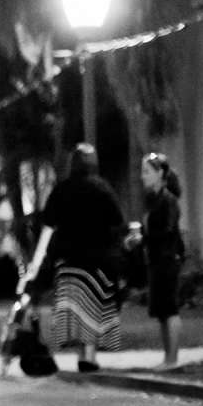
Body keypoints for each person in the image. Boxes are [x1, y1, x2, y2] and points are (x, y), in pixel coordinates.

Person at [27, 143, 129, 375]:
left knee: (76, 309)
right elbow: (118, 221)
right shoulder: (103, 189)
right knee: (94, 307)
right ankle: (89, 356)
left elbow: (49, 222)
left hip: (69, 260)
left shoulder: (62, 190)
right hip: (98, 260)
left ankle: (82, 355)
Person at [139, 153, 187, 369]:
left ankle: (172, 359)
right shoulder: (154, 200)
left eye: (147, 172)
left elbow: (166, 232)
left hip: (168, 260)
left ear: (160, 173)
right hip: (157, 260)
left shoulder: (168, 200)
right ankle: (167, 357)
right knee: (161, 311)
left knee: (169, 309)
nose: (143, 177)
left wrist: (144, 237)